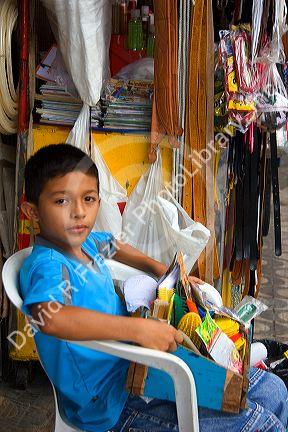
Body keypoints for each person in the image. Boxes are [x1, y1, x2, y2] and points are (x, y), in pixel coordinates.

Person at [20, 144, 288, 432]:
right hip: (114, 403)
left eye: (89, 198)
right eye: (62, 201)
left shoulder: (85, 243)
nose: (79, 213)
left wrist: (167, 272)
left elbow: (116, 246)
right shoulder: (48, 266)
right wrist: (138, 330)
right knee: (264, 424)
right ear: (31, 211)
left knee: (274, 390)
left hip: (144, 368)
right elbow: (50, 318)